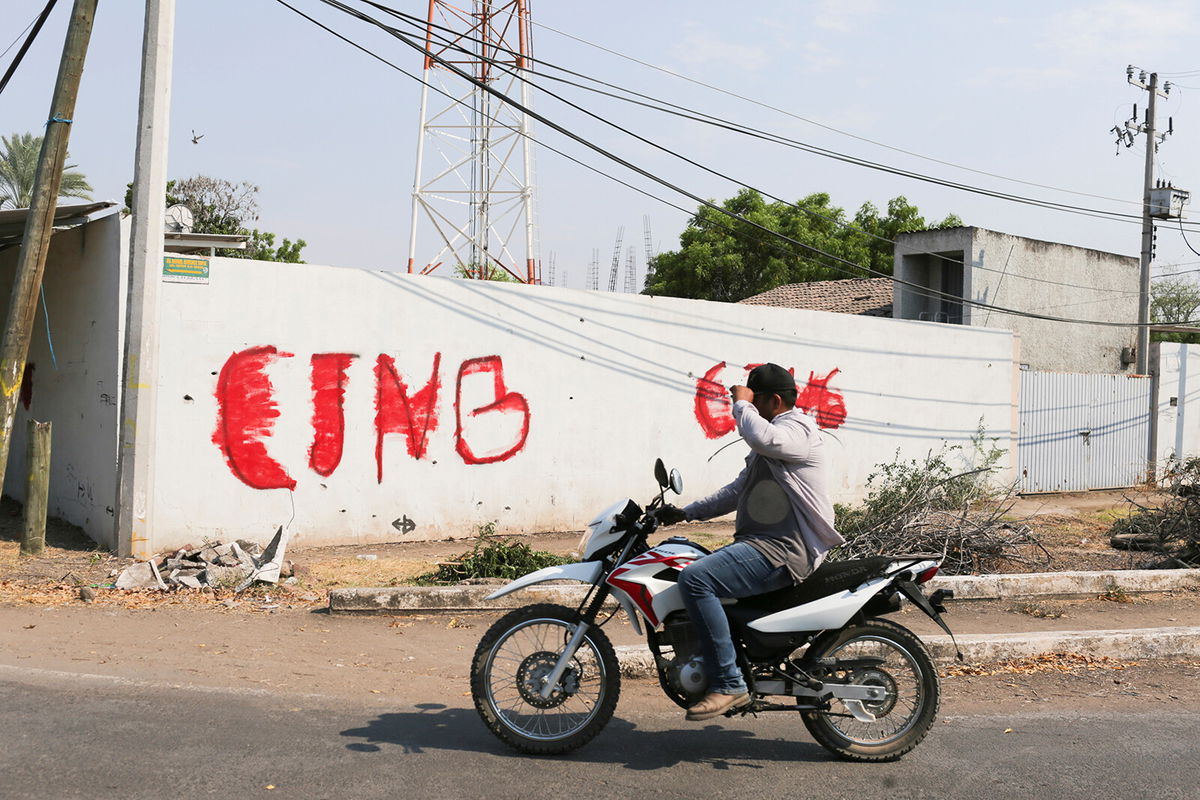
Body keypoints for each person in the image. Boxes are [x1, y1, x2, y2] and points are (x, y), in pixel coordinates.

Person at [660, 362, 844, 721]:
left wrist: (740, 404)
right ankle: (734, 665)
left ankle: (729, 684)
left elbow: (761, 436)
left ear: (774, 401)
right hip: (766, 544)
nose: (747, 409)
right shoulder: (773, 444)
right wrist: (686, 513)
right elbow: (736, 491)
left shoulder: (797, 430)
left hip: (785, 549)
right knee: (699, 569)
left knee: (696, 579)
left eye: (754, 401)